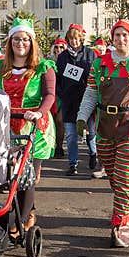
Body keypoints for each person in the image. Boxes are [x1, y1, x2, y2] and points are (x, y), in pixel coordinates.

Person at [76, 19, 129, 248]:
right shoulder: (100, 64)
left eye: (125, 35)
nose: (121, 39)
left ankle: (122, 221)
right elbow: (91, 92)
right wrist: (82, 117)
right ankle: (124, 204)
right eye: (117, 35)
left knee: (125, 175)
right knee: (114, 175)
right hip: (105, 126)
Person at [0, 17, 57, 236]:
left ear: (32, 42)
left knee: (26, 174)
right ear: (10, 42)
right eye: (16, 39)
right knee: (12, 175)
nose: (21, 43)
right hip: (7, 125)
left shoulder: (44, 67)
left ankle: (23, 216)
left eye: (25, 39)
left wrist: (38, 112)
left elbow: (50, 95)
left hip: (34, 126)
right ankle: (26, 211)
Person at [55, 23, 97, 176]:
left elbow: (95, 75)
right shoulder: (62, 57)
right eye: (71, 39)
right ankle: (73, 164)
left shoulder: (90, 54)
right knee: (71, 135)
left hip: (87, 100)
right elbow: (57, 78)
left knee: (91, 132)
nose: (74, 42)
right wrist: (61, 93)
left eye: (77, 39)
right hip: (69, 101)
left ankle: (93, 154)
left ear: (81, 39)